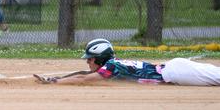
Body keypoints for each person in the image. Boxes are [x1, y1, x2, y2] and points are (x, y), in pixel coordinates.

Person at [34, 38, 220, 86]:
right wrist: (59, 77)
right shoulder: (112, 65)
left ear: (99, 58)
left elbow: (84, 80)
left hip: (177, 73)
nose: (88, 63)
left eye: (90, 59)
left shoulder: (112, 67)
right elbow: (84, 75)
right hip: (175, 71)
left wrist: (56, 82)